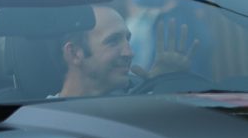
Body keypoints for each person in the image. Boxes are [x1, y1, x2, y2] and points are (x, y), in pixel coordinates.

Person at [54, 5, 196, 98]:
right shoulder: (42, 118)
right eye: (113, 41)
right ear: (74, 54)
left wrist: (160, 86)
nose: (129, 53)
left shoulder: (134, 107)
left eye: (127, 39)